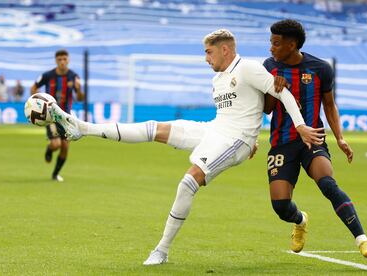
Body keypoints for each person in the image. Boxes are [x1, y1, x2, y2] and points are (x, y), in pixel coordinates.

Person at [49, 29, 325, 265]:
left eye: (209, 53)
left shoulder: (248, 68)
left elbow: (282, 93)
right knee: (155, 128)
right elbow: (241, 110)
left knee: (187, 182)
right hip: (216, 130)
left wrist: (298, 125)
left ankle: (161, 250)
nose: (206, 59)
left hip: (235, 141)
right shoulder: (217, 79)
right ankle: (83, 128)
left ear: (225, 50)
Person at [262, 19, 367, 258]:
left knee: (327, 184)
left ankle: (362, 239)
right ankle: (301, 220)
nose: (271, 48)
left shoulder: (320, 68)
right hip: (282, 143)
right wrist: (276, 89)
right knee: (281, 206)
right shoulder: (269, 66)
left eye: (276, 43)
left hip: (312, 140)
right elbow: (267, 109)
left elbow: (329, 105)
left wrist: (340, 138)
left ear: (292, 45)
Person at [30, 49, 84, 182]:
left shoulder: (74, 76)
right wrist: (35, 104)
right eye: (59, 60)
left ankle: (55, 174)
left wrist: (78, 89)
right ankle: (49, 149)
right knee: (56, 144)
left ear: (68, 60)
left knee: (65, 147)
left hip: (66, 116)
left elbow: (81, 98)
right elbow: (33, 88)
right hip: (51, 116)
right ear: (56, 61)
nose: (62, 62)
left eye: (64, 59)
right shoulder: (47, 75)